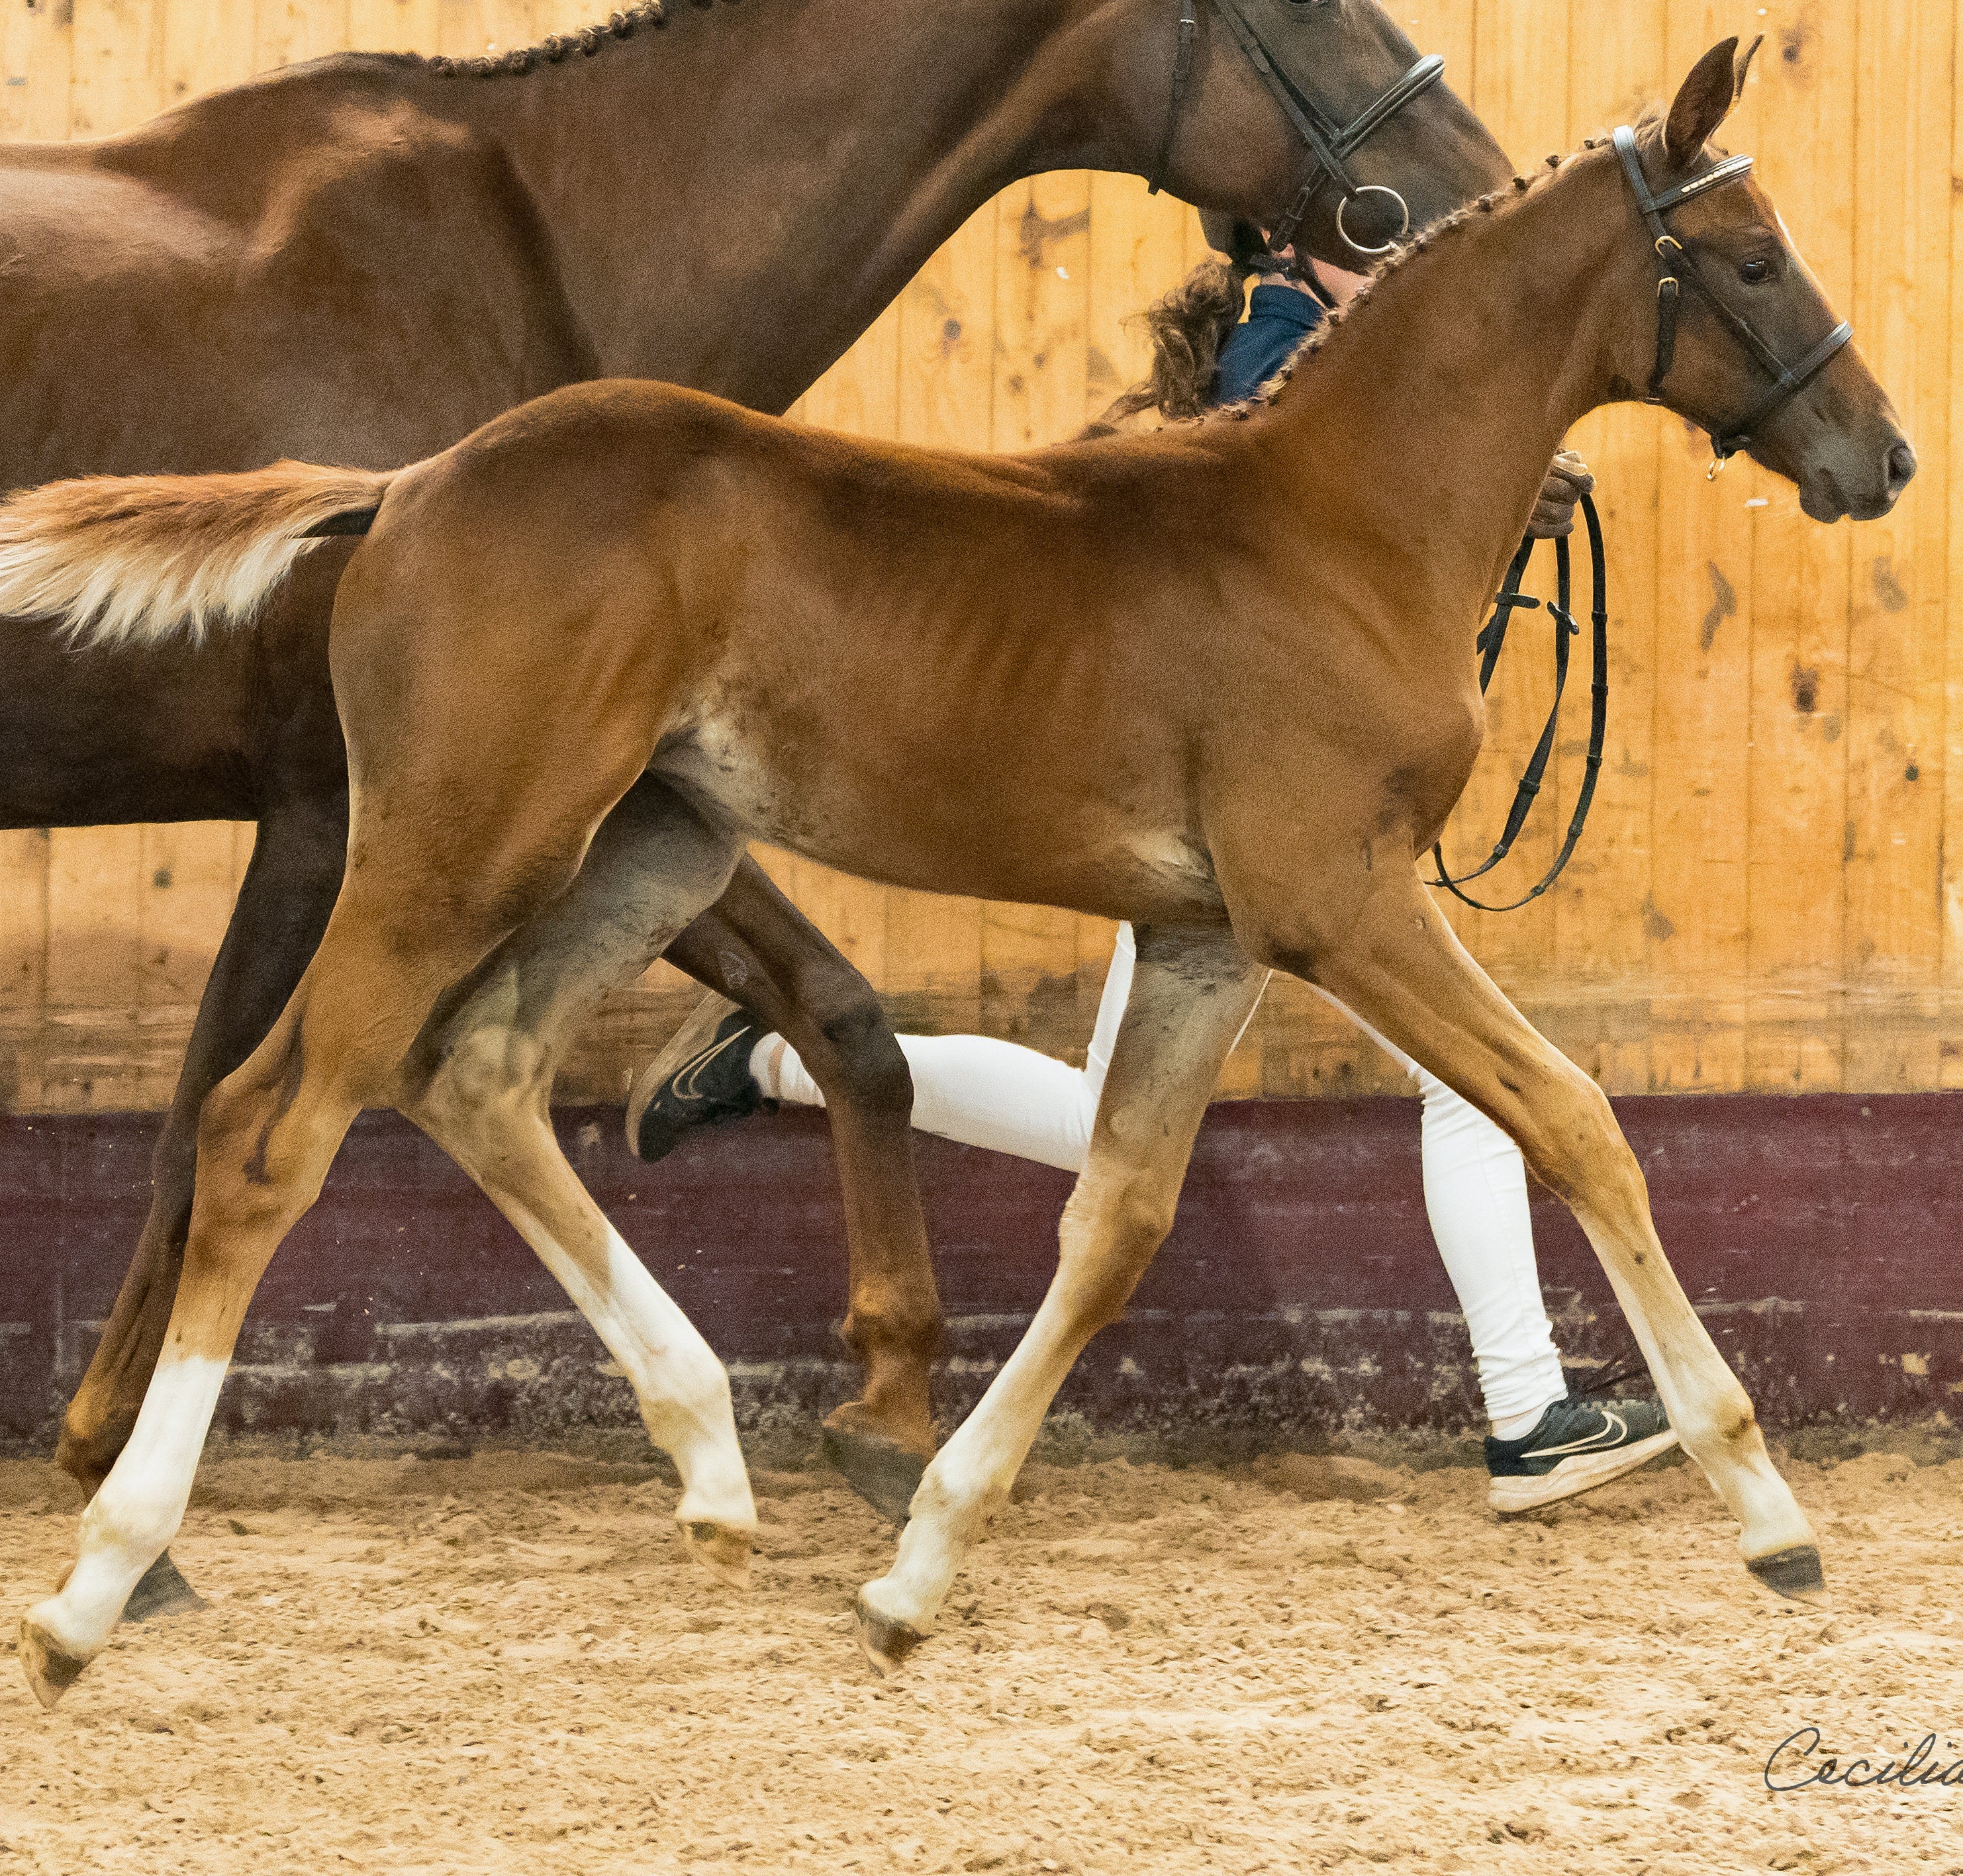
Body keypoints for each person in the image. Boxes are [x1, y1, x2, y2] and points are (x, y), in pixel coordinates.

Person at [626, 222, 1660, 1517]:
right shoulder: (1280, 360)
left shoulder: (1308, 355)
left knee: (1111, 1124)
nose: (1399, 263)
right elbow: (1294, 567)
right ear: (1294, 254)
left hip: (1288, 815)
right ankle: (1531, 1416)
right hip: (1252, 819)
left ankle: (768, 1063)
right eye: (1371, 242)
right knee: (1456, 1086)